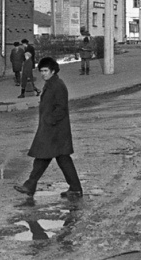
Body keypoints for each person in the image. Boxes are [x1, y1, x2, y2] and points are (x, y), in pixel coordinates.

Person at [14, 57, 83, 199]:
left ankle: (30, 185)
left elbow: (61, 108)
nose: (43, 74)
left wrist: (50, 120)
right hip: (53, 129)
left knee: (44, 156)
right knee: (59, 158)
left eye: (45, 71)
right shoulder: (51, 83)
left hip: (55, 130)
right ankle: (74, 188)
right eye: (41, 71)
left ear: (53, 71)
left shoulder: (57, 85)